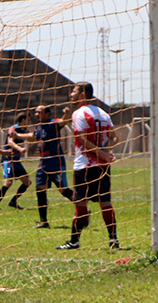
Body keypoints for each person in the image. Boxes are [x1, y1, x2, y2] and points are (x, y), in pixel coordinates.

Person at [57, 82, 119, 250]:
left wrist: (100, 153)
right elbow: (114, 137)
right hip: (103, 166)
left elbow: (82, 140)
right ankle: (113, 240)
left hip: (84, 166)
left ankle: (74, 241)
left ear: (82, 95)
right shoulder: (104, 113)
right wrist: (105, 152)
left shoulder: (79, 113)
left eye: (74, 91)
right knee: (105, 202)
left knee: (81, 203)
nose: (71, 94)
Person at [10, 104, 75, 228]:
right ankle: (44, 221)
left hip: (56, 162)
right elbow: (33, 137)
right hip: (43, 163)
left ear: (47, 114)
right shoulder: (38, 127)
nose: (36, 114)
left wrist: (66, 114)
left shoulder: (52, 123)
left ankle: (83, 209)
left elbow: (63, 122)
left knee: (63, 190)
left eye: (39, 112)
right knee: (40, 189)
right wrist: (18, 136)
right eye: (36, 112)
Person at [0, 114, 31, 210]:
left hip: (16, 160)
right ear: (23, 119)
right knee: (8, 182)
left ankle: (13, 201)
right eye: (28, 119)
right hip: (8, 159)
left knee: (27, 182)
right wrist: (19, 148)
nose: (30, 121)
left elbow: (31, 137)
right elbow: (10, 141)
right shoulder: (13, 129)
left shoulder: (26, 131)